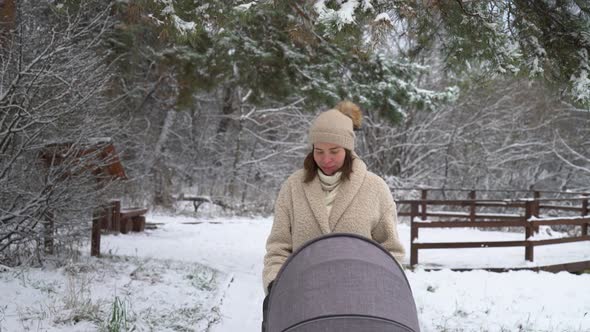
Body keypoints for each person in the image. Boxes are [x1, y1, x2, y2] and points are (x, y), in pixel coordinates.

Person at [260, 100, 405, 330]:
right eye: (319, 151)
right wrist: (276, 285)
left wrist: (377, 290)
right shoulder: (293, 187)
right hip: (302, 303)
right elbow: (278, 247)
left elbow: (391, 252)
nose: (326, 159)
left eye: (334, 152)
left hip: (359, 306)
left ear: (348, 150)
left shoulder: (375, 188)